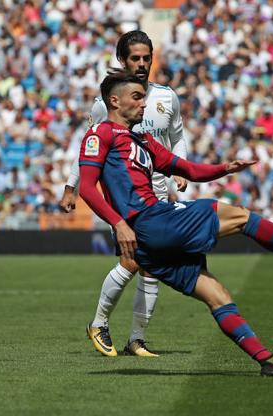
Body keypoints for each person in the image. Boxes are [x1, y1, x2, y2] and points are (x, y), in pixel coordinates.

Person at [78, 70, 273, 376]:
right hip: (149, 222)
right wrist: (119, 223)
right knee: (240, 215)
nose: (144, 104)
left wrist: (224, 168)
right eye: (137, 97)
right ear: (114, 101)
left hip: (148, 246)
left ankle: (268, 364)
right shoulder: (100, 134)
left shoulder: (143, 141)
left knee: (216, 294)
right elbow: (87, 187)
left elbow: (188, 169)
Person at [59, 31, 188, 357]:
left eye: (147, 57)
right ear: (122, 60)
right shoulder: (108, 103)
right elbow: (89, 146)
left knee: (150, 265)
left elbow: (177, 137)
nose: (142, 64)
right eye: (135, 58)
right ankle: (100, 323)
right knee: (132, 260)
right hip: (127, 196)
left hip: (159, 192)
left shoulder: (166, 97)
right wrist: (72, 186)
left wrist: (182, 169)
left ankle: (135, 339)